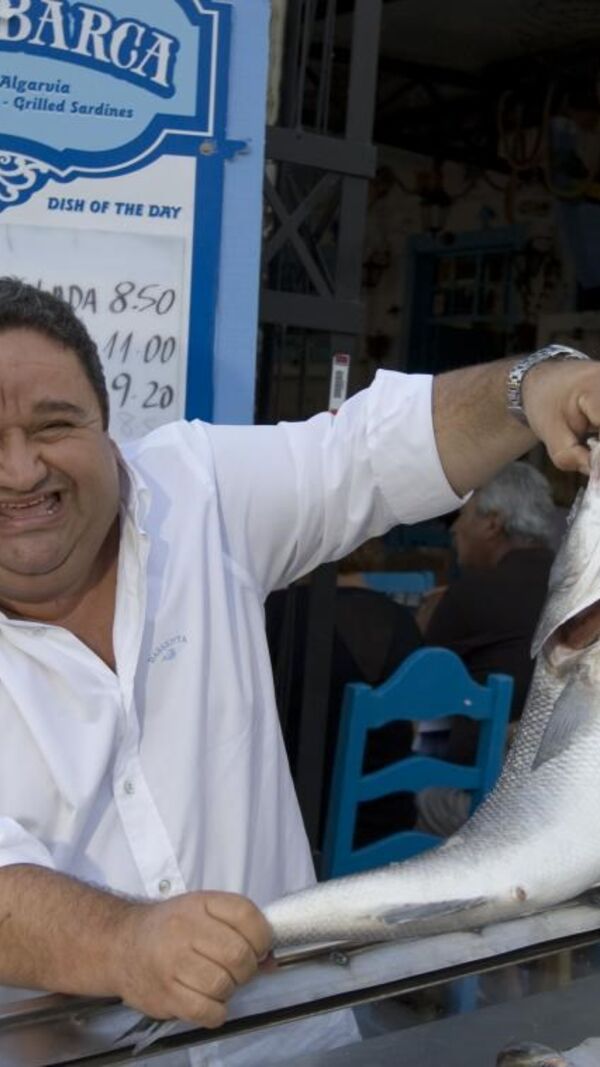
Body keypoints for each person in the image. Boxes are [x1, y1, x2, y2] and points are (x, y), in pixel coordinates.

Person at [0, 277, 598, 1065]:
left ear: (107, 428)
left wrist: (534, 387)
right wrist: (124, 940)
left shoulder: (194, 489)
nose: (21, 470)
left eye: (54, 423)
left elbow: (371, 452)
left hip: (298, 1041)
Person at [415, 461, 558, 837]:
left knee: (408, 797)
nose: (455, 529)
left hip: (491, 807)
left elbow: (416, 695)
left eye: (463, 515)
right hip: (566, 799)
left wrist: (425, 622)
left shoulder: (473, 593)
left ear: (493, 523)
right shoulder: (574, 587)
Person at [265, 539, 423, 846]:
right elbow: (415, 728)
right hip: (389, 824)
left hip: (297, 829)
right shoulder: (403, 621)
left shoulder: (277, 613)